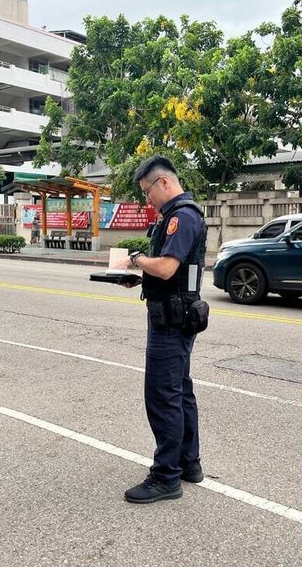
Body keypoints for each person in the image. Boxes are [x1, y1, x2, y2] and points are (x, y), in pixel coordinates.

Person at [114, 155, 207, 504]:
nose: (147, 200)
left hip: (171, 321)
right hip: (179, 313)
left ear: (164, 182)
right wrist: (140, 278)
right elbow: (174, 274)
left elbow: (167, 268)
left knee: (163, 396)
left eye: (147, 192)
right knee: (180, 392)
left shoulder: (180, 217)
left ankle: (166, 477)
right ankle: (188, 463)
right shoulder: (184, 215)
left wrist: (135, 259)